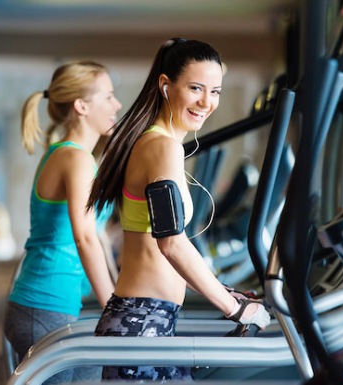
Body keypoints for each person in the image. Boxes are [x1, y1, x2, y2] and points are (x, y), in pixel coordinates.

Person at [88, 38, 271, 382]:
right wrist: (235, 308)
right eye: (196, 88)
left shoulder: (158, 143)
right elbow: (171, 243)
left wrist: (226, 292)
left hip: (149, 318)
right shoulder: (161, 147)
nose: (207, 102)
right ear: (165, 85)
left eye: (215, 91)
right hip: (142, 322)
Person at [3, 60, 122, 383]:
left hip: (51, 305)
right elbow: (83, 238)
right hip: (44, 305)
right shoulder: (75, 158)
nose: (117, 104)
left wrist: (117, 297)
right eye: (108, 96)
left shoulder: (75, 156)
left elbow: (95, 235)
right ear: (82, 105)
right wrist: (114, 309)